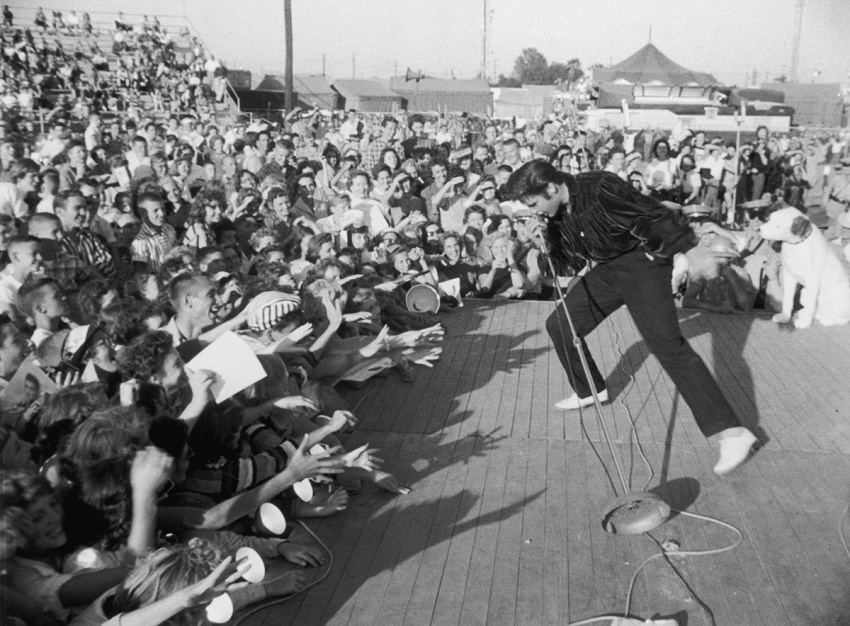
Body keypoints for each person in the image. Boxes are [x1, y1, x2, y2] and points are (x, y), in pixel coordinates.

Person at [506, 160, 758, 476]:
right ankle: (590, 390)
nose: (535, 211)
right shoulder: (554, 214)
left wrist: (691, 251)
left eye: (534, 203)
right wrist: (543, 243)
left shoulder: (600, 187)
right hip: (608, 270)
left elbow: (656, 215)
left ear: (551, 188)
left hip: (644, 265)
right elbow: (568, 264)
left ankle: (733, 433)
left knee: (667, 345)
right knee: (560, 324)